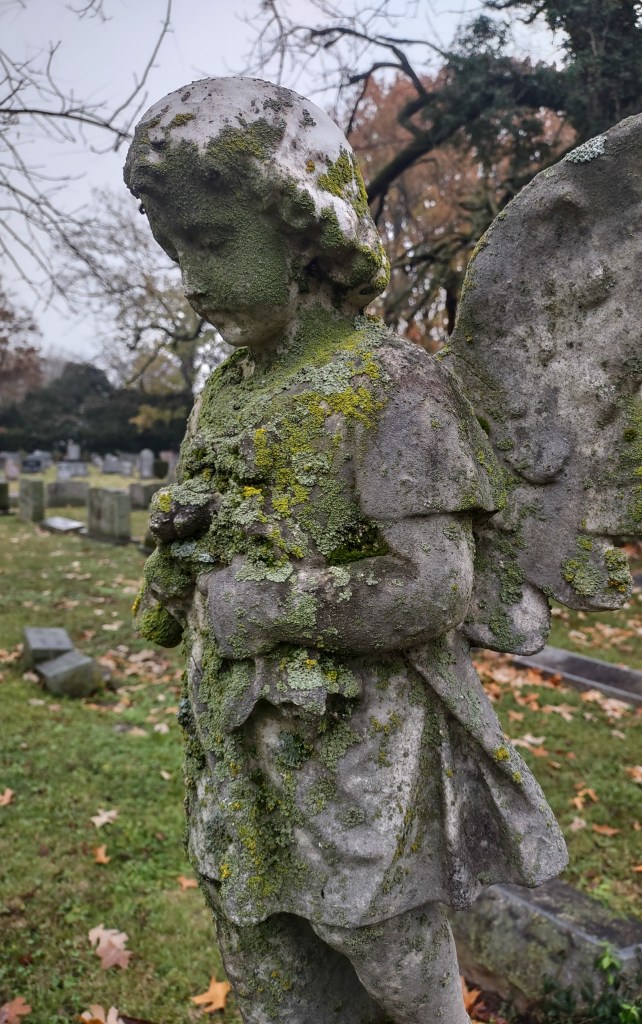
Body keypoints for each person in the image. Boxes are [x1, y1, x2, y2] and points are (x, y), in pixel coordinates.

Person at [125, 77, 567, 1024]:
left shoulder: (389, 385)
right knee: (268, 973)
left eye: (210, 242)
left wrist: (273, 604)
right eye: (174, 250)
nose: (191, 278)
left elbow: (433, 586)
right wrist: (177, 555)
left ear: (299, 232)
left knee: (398, 970)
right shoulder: (224, 392)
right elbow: (201, 536)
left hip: (357, 759)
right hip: (239, 750)